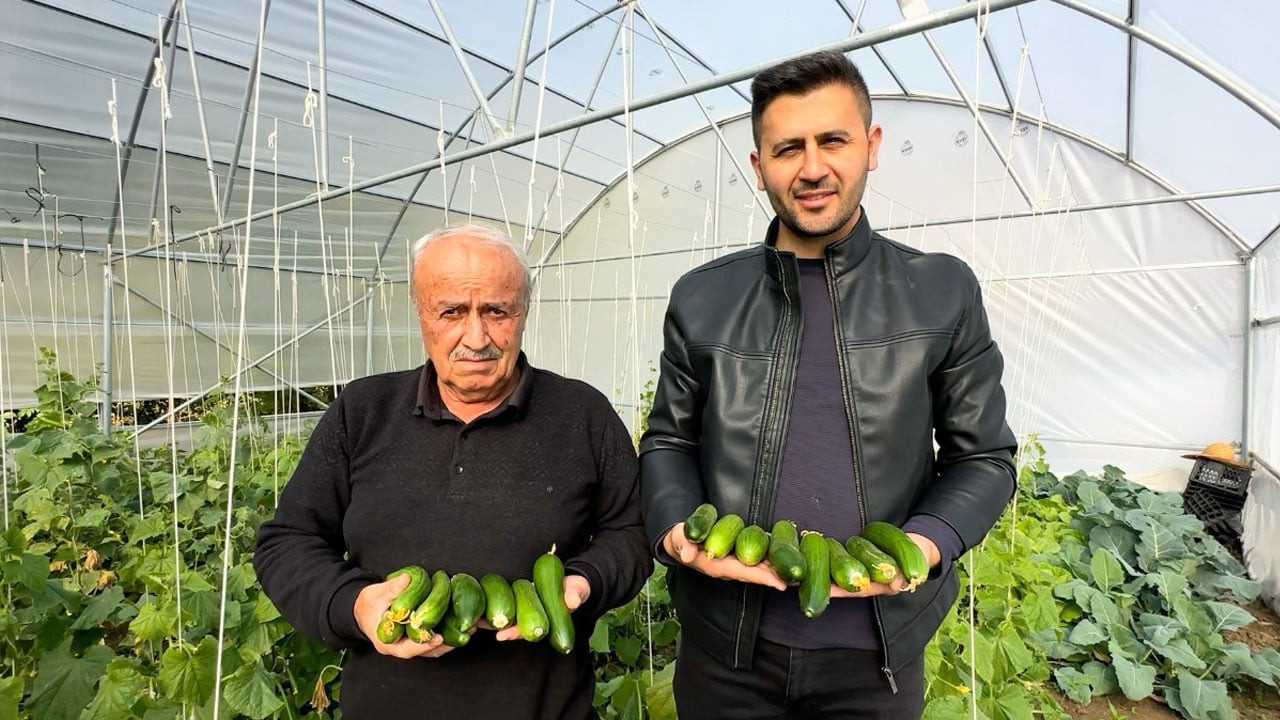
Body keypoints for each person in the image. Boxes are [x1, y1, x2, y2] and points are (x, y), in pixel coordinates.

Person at [639, 50, 1017, 719]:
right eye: (788, 148)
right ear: (759, 166)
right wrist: (676, 529)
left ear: (871, 146)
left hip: (877, 655)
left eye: (833, 141)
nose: (812, 168)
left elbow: (984, 457)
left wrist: (927, 543)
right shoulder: (702, 298)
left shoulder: (941, 291)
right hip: (726, 648)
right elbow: (669, 440)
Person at [254, 224, 650, 719]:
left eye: (497, 311)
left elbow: (630, 531)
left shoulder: (582, 414)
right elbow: (288, 541)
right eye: (451, 312)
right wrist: (355, 605)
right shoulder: (363, 411)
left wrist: (584, 581)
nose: (476, 338)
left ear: (524, 311)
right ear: (421, 313)